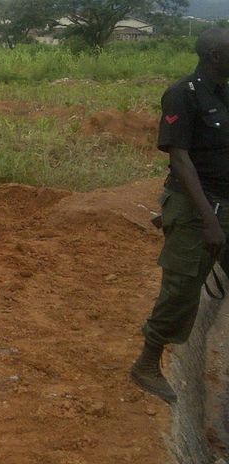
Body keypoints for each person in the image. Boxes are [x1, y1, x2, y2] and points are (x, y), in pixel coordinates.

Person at [131, 27, 229, 404]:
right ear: (215, 57)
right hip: (197, 208)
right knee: (182, 289)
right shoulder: (182, 95)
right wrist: (209, 220)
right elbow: (181, 159)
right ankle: (146, 363)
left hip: (223, 204)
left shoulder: (222, 94)